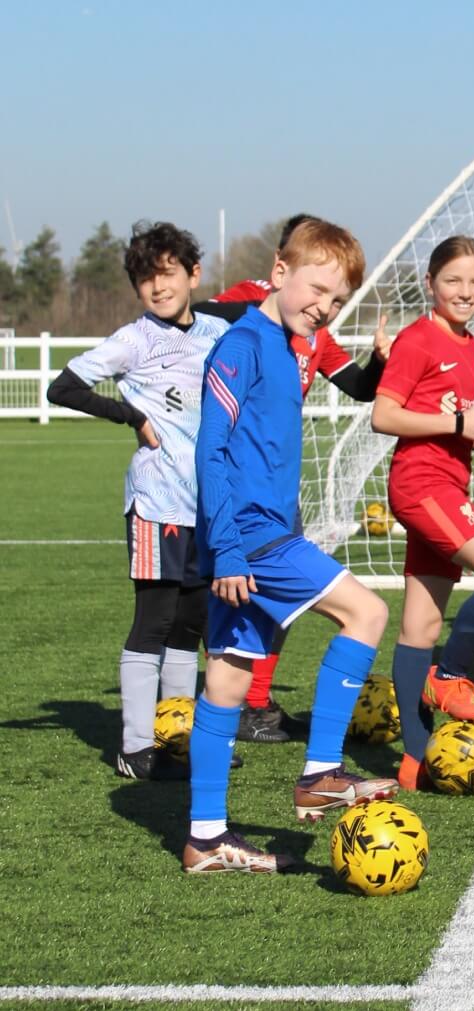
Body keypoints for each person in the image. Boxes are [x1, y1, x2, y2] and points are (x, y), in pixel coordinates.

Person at [186, 218, 397, 874]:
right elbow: (209, 448)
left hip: (260, 533)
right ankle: (322, 770)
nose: (324, 307)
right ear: (279, 273)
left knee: (226, 681)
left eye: (336, 301)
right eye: (316, 289)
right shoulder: (243, 344)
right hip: (250, 536)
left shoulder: (289, 344)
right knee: (368, 613)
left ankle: (205, 839)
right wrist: (227, 548)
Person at [47, 221, 230, 781]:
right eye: (145, 278)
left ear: (192, 274)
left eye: (167, 273)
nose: (157, 286)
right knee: (155, 619)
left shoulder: (219, 331)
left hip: (207, 504)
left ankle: (174, 736)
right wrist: (131, 414)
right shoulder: (136, 340)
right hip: (156, 501)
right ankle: (134, 745)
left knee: (192, 623)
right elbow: (64, 386)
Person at [371, 236, 474, 791]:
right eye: (454, 280)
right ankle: (452, 673)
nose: (466, 291)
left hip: (446, 479)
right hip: (422, 486)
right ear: (432, 282)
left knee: (422, 624)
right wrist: (459, 426)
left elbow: (447, 418)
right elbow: (385, 416)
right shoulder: (417, 340)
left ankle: (413, 759)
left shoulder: (472, 346)